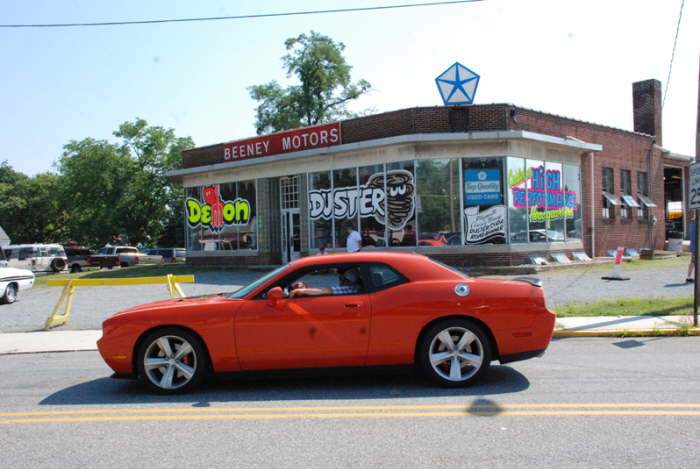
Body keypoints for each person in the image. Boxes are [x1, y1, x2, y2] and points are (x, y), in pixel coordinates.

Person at [289, 269, 362, 297]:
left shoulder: (351, 289)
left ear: (352, 282)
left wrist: (302, 291)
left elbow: (326, 290)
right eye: (340, 279)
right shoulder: (355, 288)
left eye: (344, 280)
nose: (341, 282)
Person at [687, 215, 696, 282]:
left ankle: (689, 277)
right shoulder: (697, 226)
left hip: (693, 247)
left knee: (692, 262)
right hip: (697, 247)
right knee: (693, 262)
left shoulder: (691, 226)